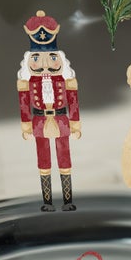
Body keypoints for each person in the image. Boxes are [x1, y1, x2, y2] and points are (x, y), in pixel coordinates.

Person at [17, 12, 81, 209]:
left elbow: (73, 102)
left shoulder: (66, 80)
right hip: (39, 123)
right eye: (37, 58)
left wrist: (75, 125)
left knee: (65, 159)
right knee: (43, 162)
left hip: (61, 121)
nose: (45, 64)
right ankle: (47, 202)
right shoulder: (27, 83)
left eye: (51, 58)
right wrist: (26, 127)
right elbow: (24, 104)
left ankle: (68, 201)